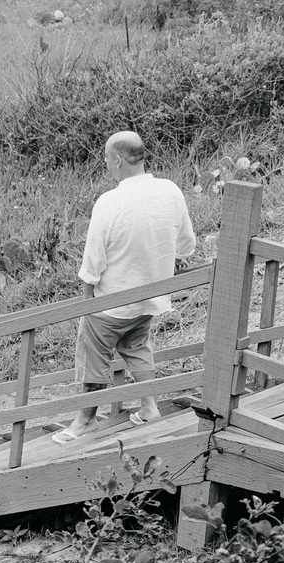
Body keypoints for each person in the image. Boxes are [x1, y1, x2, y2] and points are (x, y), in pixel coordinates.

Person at [52, 130, 196, 444]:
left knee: (94, 355)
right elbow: (186, 245)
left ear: (118, 160)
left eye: (106, 159)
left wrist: (87, 295)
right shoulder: (170, 191)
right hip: (151, 298)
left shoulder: (110, 201)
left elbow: (93, 258)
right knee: (137, 347)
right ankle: (148, 408)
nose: (106, 164)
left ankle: (85, 420)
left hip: (112, 302)